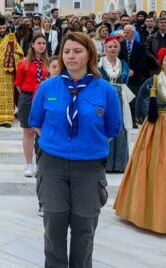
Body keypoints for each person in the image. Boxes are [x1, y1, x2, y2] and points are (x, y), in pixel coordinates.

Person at [29, 32, 121, 267]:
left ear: (90, 53)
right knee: (54, 228)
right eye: (67, 51)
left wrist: (85, 146)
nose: (71, 56)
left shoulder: (105, 91)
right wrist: (58, 143)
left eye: (77, 51)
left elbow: (112, 129)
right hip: (52, 166)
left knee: (84, 229)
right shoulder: (47, 87)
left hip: (89, 169)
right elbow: (36, 123)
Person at [114, 47, 166, 234]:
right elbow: (141, 105)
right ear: (161, 63)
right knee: (155, 167)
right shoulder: (152, 82)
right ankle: (148, 212)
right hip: (156, 130)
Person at [14, 34, 48, 177]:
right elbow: (18, 84)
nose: (42, 46)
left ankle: (42, 163)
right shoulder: (23, 63)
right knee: (28, 131)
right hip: (28, 97)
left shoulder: (48, 62)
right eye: (39, 43)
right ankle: (29, 164)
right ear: (32, 45)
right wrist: (29, 94)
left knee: (43, 132)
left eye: (44, 43)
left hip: (45, 98)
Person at [98, 37, 133, 173]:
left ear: (119, 49)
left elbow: (125, 80)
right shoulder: (99, 63)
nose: (113, 49)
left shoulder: (123, 64)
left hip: (120, 95)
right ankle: (105, 163)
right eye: (110, 46)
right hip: (104, 95)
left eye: (115, 47)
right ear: (105, 48)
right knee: (104, 125)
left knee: (121, 127)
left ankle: (120, 164)